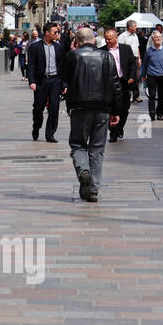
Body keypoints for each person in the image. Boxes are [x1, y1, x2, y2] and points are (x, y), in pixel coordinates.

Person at [60, 27, 123, 203]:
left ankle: (83, 170)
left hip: (79, 107)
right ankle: (93, 189)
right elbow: (116, 85)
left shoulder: (72, 56)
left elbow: (62, 77)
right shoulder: (106, 57)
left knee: (78, 144)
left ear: (77, 41)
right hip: (102, 107)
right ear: (94, 40)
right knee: (97, 149)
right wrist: (116, 111)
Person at [27, 22, 65, 142]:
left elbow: (63, 67)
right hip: (41, 81)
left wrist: (64, 84)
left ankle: (50, 134)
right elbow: (31, 65)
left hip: (55, 80)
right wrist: (31, 81)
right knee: (39, 107)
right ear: (47, 33)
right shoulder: (35, 47)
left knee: (54, 108)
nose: (57, 34)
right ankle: (36, 126)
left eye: (58, 32)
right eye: (55, 32)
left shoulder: (59, 48)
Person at [103, 28, 137, 141]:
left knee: (124, 108)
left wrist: (132, 77)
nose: (107, 41)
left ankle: (119, 127)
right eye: (106, 39)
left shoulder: (126, 49)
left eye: (109, 39)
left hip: (123, 82)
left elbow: (133, 65)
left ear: (116, 37)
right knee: (110, 108)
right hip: (108, 84)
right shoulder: (101, 51)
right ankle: (113, 131)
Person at [142, 30, 163, 122]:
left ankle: (160, 113)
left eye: (159, 37)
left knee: (161, 96)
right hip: (151, 75)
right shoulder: (149, 51)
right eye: (156, 37)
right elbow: (145, 63)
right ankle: (152, 114)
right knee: (151, 95)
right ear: (152, 39)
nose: (158, 39)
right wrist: (143, 75)